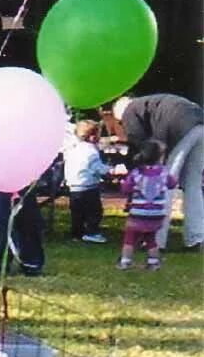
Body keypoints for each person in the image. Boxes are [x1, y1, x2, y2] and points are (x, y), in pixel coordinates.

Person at [0, 0, 44, 277]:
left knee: (0, 198)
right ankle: (32, 259)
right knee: (27, 196)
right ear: (25, 12)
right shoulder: (38, 44)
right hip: (29, 126)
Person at [111, 93, 204, 253]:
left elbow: (140, 145)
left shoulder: (129, 111)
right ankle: (196, 238)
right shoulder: (147, 104)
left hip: (179, 128)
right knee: (193, 185)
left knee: (164, 186)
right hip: (199, 123)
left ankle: (155, 240)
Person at [120, 140, 178, 270]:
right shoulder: (164, 173)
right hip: (156, 213)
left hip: (138, 213)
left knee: (130, 238)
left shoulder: (136, 173)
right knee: (151, 238)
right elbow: (172, 184)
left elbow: (125, 189)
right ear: (160, 157)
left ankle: (126, 261)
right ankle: (153, 262)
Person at [61, 120, 109, 244]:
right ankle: (92, 232)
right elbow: (98, 168)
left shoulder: (71, 149)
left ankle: (76, 234)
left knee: (77, 213)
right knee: (94, 211)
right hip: (88, 187)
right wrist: (110, 169)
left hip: (74, 186)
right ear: (93, 137)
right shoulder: (91, 152)